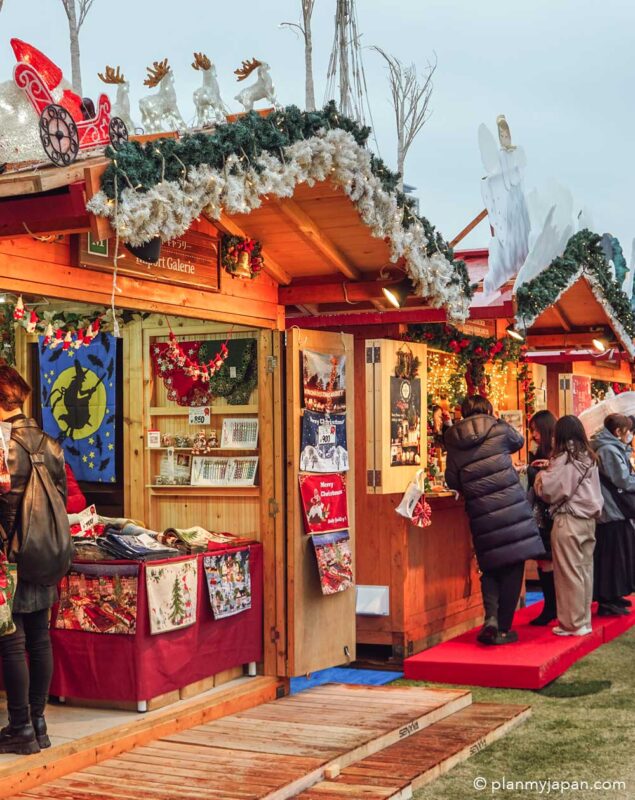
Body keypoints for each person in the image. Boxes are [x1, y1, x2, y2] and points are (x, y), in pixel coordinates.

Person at [0, 366, 67, 755]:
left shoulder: (2, 443)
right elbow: (57, 497)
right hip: (45, 550)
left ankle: (20, 726)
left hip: (7, 551)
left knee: (11, 641)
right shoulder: (48, 442)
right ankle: (39, 725)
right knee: (40, 637)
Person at [444, 395, 545, 645]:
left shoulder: (453, 440)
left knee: (489, 567)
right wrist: (498, 419)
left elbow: (452, 480)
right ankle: (502, 629)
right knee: (512, 566)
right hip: (510, 508)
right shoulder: (498, 428)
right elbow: (519, 441)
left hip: (481, 512)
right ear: (488, 409)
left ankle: (490, 618)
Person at [535, 416, 602, 636]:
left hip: (569, 520)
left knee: (567, 573)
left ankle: (571, 623)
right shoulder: (587, 456)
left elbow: (551, 489)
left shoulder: (566, 457)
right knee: (584, 570)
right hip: (589, 520)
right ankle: (583, 620)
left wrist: (541, 476)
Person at [591, 414, 635, 616]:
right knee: (612, 556)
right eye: (628, 431)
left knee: (620, 554)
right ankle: (608, 598)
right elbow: (622, 480)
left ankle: (616, 594)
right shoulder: (608, 450)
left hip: (617, 511)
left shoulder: (613, 448)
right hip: (611, 511)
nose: (630, 435)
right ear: (618, 432)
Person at [527, 410, 558, 625]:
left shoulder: (555, 454)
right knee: (544, 560)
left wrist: (532, 472)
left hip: (549, 514)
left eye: (535, 430)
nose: (533, 435)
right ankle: (551, 607)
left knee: (548, 560)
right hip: (541, 514)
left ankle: (551, 608)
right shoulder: (541, 451)